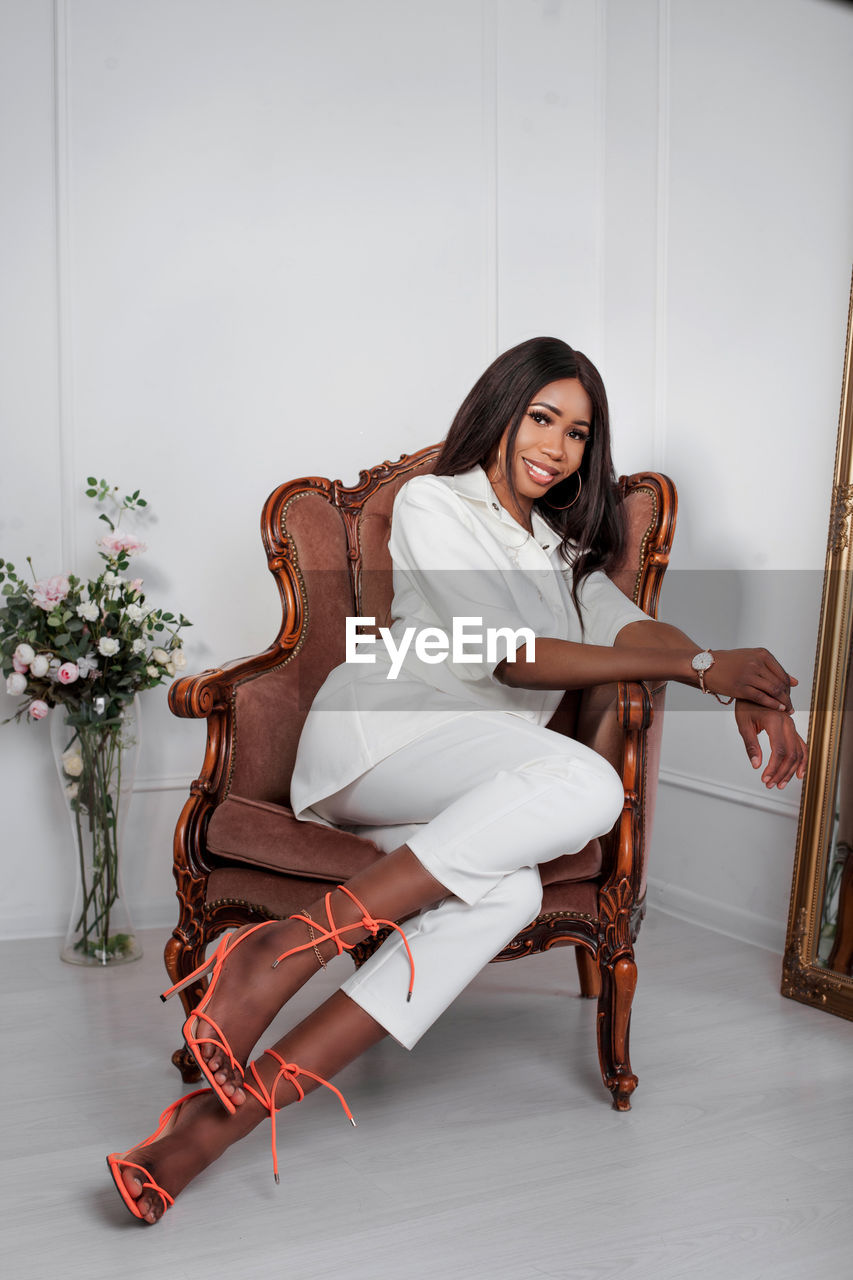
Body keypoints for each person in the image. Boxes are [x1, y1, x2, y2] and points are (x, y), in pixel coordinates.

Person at [107, 337, 807, 1223]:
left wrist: (740, 679)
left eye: (579, 433)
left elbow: (639, 637)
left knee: (509, 893)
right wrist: (708, 670)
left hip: (463, 784)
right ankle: (283, 952)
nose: (556, 447)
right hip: (377, 743)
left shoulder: (562, 556)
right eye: (541, 418)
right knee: (590, 788)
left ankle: (217, 1126)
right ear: (501, 412)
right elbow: (512, 662)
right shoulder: (436, 503)